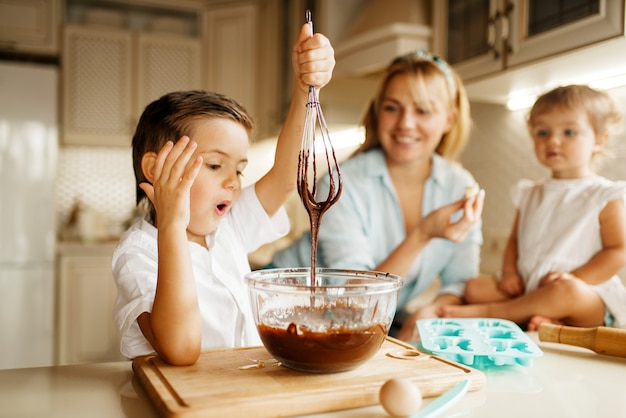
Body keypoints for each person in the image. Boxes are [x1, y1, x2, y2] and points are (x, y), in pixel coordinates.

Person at [111, 23, 335, 365]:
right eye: (215, 165)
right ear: (155, 170)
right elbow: (181, 350)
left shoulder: (225, 225)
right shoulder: (138, 255)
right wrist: (172, 225)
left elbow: (284, 180)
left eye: (239, 169)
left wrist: (303, 88)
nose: (233, 182)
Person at [270, 50, 485, 342]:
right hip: (283, 308)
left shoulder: (459, 186)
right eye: (392, 108)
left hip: (357, 324)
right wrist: (422, 234)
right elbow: (355, 300)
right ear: (377, 112)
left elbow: (460, 282)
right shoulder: (342, 183)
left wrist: (433, 310)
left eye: (423, 111)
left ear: (449, 119)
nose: (405, 123)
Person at [440, 84, 626, 330]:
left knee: (566, 293)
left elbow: (618, 250)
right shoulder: (529, 193)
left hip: (585, 295)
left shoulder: (604, 195)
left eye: (569, 132)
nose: (553, 141)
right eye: (542, 132)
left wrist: (576, 278)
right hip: (531, 288)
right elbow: (514, 240)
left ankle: (494, 313)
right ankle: (549, 320)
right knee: (474, 287)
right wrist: (509, 274)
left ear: (599, 139)